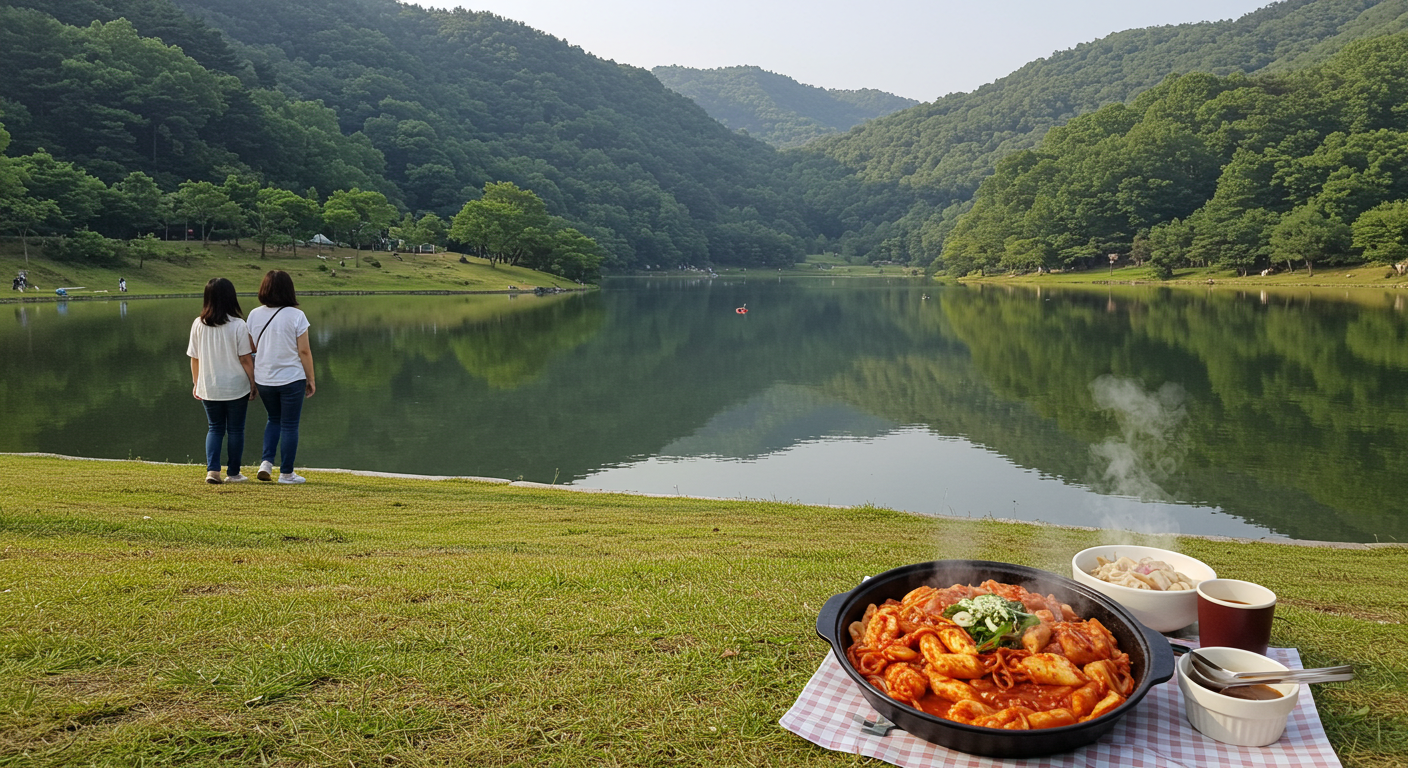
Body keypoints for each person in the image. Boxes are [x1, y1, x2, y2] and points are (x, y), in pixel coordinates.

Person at [247, 270, 316, 484]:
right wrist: (311, 379)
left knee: (273, 419)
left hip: (264, 378)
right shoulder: (296, 316)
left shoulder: (254, 315)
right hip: (291, 378)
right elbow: (304, 351)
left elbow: (251, 348)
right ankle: (286, 474)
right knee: (290, 425)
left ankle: (266, 463)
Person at [187, 277, 257, 484]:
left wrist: (196, 383)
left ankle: (213, 472)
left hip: (209, 385)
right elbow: (245, 359)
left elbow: (194, 358)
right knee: (235, 429)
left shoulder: (198, 324)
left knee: (215, 428)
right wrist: (253, 383)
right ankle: (233, 473)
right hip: (236, 385)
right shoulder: (238, 325)